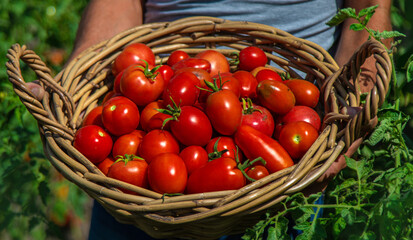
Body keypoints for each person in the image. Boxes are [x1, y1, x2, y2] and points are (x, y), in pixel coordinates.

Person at [28, 0, 393, 239]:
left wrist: (356, 96)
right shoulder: (178, 106)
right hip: (138, 203)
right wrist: (82, 75)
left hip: (295, 173)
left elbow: (369, 5)